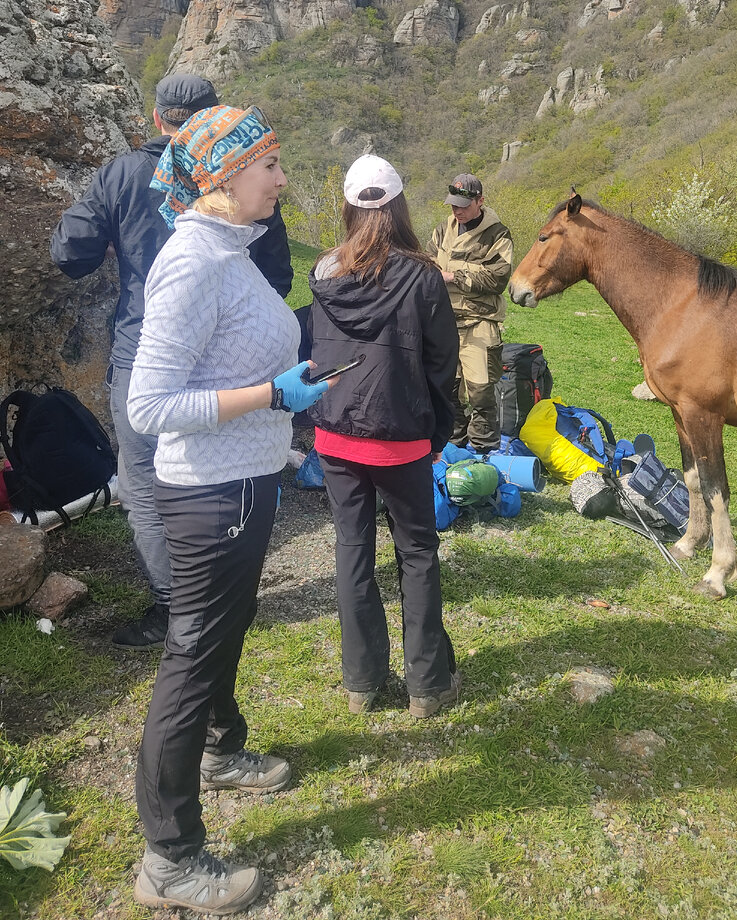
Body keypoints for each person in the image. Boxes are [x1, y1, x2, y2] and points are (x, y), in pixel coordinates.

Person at [125, 103, 326, 914]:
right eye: (269, 164)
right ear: (222, 175)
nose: (281, 178)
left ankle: (217, 750)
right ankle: (169, 858)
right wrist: (269, 394)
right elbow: (149, 405)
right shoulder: (195, 261)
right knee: (191, 658)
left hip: (244, 482)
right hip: (209, 497)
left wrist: (285, 399)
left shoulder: (229, 251)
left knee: (220, 636)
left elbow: (228, 357)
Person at [50, 74, 293, 649]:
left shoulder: (122, 174)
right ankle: (215, 601)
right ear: (215, 120)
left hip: (143, 353)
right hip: (233, 359)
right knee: (222, 478)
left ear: (159, 120)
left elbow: (69, 254)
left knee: (145, 486)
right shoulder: (242, 177)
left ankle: (177, 608)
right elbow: (278, 274)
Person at [307, 154, 461, 719]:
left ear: (349, 206)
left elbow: (316, 356)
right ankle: (428, 684)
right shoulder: (422, 276)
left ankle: (362, 683)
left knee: (353, 551)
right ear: (397, 206)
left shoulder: (324, 273)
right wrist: (439, 431)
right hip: (400, 436)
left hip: (335, 436)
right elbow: (443, 366)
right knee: (417, 552)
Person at [425, 173, 513, 455]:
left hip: (480, 322)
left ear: (480, 201)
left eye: (463, 205)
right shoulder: (443, 229)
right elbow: (428, 263)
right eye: (453, 205)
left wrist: (453, 276)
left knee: (481, 391)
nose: (457, 210)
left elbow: (498, 279)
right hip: (444, 321)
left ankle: (485, 451)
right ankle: (453, 446)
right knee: (447, 388)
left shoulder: (498, 234)